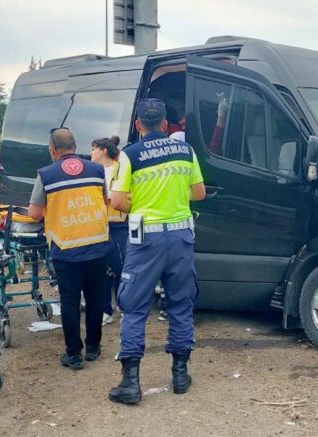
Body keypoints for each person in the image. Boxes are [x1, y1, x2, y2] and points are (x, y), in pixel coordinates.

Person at [108, 98, 205, 404]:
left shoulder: (130, 154)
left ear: (138, 124)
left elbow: (117, 201)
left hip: (146, 239)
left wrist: (142, 202)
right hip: (181, 237)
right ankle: (180, 375)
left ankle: (130, 383)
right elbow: (199, 193)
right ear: (165, 124)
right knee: (180, 304)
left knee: (135, 307)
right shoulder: (185, 150)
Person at [28, 127, 112, 371]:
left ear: (52, 149)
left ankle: (74, 354)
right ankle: (93, 347)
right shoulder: (97, 169)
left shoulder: (46, 174)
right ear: (75, 146)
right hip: (97, 244)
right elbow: (105, 200)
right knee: (96, 298)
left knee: (70, 302)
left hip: (66, 248)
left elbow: (34, 213)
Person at [89, 135, 127, 326]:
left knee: (121, 266)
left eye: (94, 149)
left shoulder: (120, 168)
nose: (90, 153)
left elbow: (129, 193)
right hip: (98, 225)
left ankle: (124, 305)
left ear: (103, 150)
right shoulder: (91, 171)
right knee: (101, 269)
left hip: (118, 224)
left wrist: (112, 196)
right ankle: (105, 310)